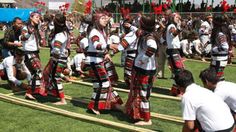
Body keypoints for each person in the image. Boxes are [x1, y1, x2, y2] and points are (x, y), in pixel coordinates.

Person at [85, 9, 123, 115]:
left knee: (102, 84)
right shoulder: (94, 32)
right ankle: (94, 106)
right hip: (94, 61)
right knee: (103, 84)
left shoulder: (101, 31)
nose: (105, 20)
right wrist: (108, 46)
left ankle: (113, 103)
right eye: (102, 18)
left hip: (98, 60)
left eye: (105, 18)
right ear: (96, 20)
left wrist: (106, 53)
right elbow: (96, 45)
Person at [125, 15, 158, 125]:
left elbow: (152, 47)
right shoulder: (145, 34)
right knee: (139, 92)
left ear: (143, 24)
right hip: (143, 68)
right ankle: (136, 113)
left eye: (140, 21)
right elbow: (135, 31)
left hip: (145, 69)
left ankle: (147, 119)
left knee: (143, 94)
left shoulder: (149, 37)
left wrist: (142, 60)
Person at [43, 13, 71, 105]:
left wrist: (53, 60)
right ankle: (55, 93)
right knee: (52, 75)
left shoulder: (60, 35)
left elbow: (56, 49)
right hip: (61, 58)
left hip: (58, 59)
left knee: (56, 77)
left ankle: (62, 100)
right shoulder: (64, 32)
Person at [20, 11, 45, 100]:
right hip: (29, 53)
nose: (38, 19)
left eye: (39, 17)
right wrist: (29, 33)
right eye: (36, 17)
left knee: (35, 72)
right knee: (38, 71)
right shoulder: (25, 27)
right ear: (31, 17)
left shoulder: (36, 27)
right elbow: (22, 38)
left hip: (35, 52)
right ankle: (31, 92)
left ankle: (33, 91)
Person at [166, 13, 185, 96]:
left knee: (176, 70)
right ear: (172, 18)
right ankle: (177, 90)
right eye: (176, 17)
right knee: (179, 70)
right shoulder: (171, 26)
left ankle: (175, 89)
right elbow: (173, 34)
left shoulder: (171, 25)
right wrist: (180, 28)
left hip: (172, 50)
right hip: (173, 51)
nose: (178, 18)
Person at [210, 15, 230, 81]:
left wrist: (214, 49)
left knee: (216, 78)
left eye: (213, 21)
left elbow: (225, 47)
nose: (212, 22)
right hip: (216, 59)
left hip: (220, 60)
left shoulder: (220, 34)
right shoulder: (217, 32)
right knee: (214, 77)